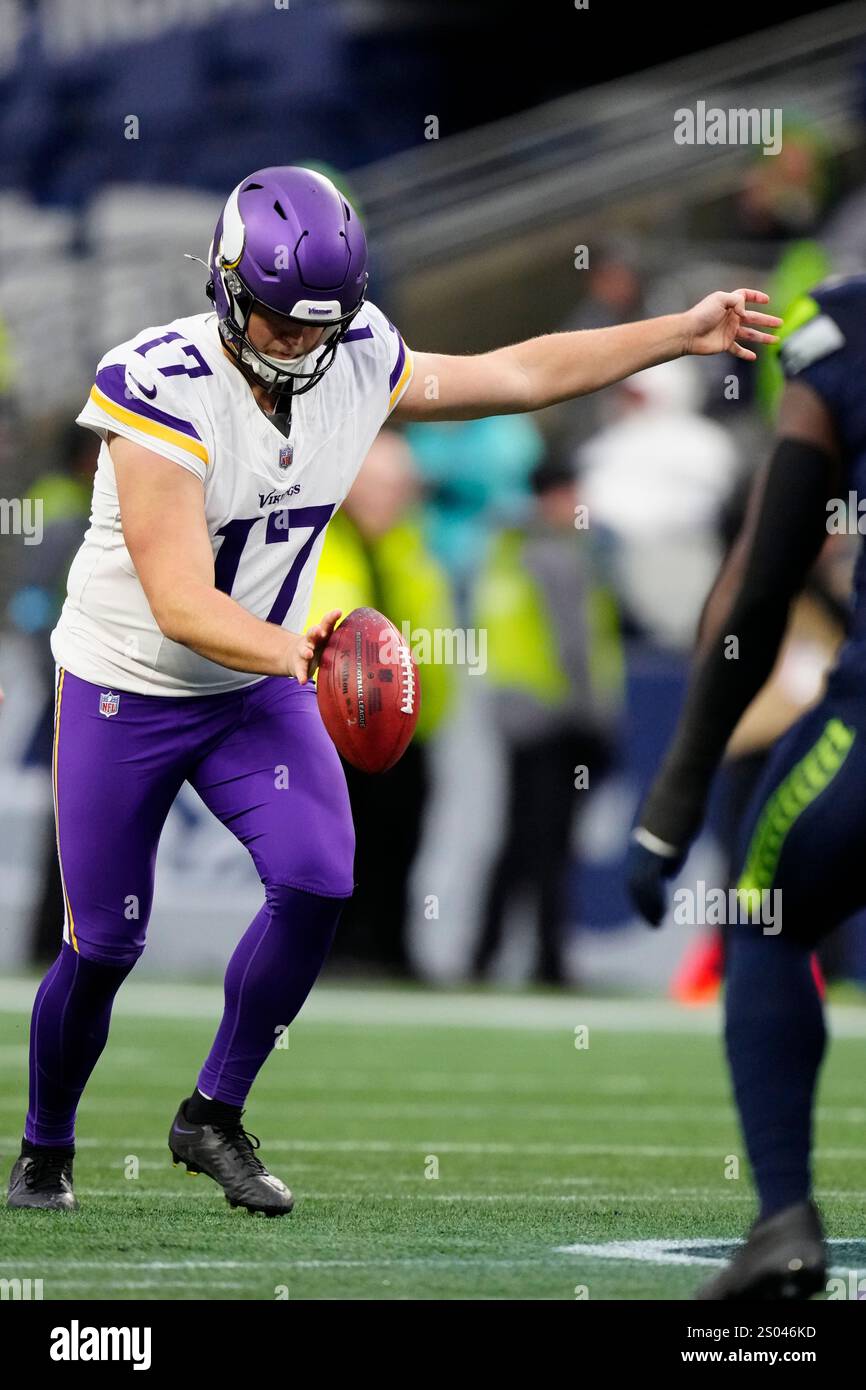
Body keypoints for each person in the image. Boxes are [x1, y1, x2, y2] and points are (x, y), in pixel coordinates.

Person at [5, 162, 779, 1215]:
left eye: (314, 321)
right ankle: (46, 1144)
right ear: (227, 285)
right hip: (130, 684)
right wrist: (297, 650)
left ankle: (212, 1113)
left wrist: (672, 332)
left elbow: (513, 374)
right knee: (106, 944)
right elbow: (180, 597)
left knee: (321, 876)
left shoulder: (356, 353)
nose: (296, 341)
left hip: (260, 676)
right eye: (277, 318)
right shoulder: (158, 381)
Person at [626, 274, 866, 1299]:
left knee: (764, 912)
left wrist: (673, 795)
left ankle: (782, 1219)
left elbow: (759, 580)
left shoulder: (838, 335)